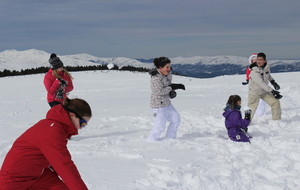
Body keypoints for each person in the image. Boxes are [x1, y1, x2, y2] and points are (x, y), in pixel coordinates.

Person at [0, 98, 92, 190]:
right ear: (72, 115)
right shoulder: (52, 131)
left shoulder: (58, 127)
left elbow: (55, 160)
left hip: (38, 175)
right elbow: (63, 165)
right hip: (14, 179)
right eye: (83, 123)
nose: (81, 127)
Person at [147, 57, 185, 141]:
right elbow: (159, 92)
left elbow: (167, 86)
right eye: (167, 67)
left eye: (169, 66)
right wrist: (171, 87)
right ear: (160, 68)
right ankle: (150, 142)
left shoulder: (167, 74)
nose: (169, 69)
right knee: (160, 126)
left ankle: (170, 138)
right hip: (157, 106)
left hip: (167, 103)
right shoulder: (156, 78)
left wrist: (173, 89)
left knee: (176, 120)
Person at [248, 52, 282, 120]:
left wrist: (273, 82)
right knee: (251, 110)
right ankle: (246, 124)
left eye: (260, 59)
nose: (258, 61)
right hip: (254, 93)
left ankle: (276, 121)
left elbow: (267, 75)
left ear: (265, 61)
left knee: (275, 102)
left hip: (264, 91)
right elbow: (261, 83)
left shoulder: (266, 67)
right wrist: (272, 91)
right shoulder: (254, 71)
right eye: (257, 59)